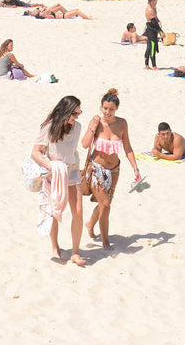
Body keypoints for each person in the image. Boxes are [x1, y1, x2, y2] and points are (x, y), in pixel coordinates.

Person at [81, 89, 141, 250]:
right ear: (101, 107)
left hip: (114, 170)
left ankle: (90, 224)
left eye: (111, 109)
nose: (107, 112)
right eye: (105, 108)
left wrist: (135, 168)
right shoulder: (96, 122)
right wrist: (92, 128)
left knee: (103, 204)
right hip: (96, 169)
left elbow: (127, 147)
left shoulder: (122, 124)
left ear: (116, 109)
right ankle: (106, 241)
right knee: (106, 204)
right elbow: (85, 144)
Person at [31, 96, 86, 266]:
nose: (77, 117)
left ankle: (75, 252)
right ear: (65, 111)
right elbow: (36, 152)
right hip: (54, 174)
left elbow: (73, 150)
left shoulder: (77, 127)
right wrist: (52, 166)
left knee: (78, 211)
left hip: (73, 171)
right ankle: (55, 246)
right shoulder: (49, 127)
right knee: (55, 210)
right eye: (74, 113)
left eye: (79, 113)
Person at [143, 0, 163, 70]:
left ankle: (147, 65)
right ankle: (153, 66)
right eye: (154, 2)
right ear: (151, 2)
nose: (156, 3)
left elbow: (155, 18)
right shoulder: (150, 10)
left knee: (149, 47)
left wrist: (159, 21)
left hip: (152, 28)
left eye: (156, 2)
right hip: (151, 30)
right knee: (152, 48)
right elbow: (153, 23)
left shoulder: (154, 8)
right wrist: (161, 32)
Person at [23, 4, 91, 20]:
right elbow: (49, 15)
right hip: (64, 16)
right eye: (41, 13)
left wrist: (44, 10)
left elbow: (46, 10)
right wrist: (46, 12)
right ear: (42, 16)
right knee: (78, 12)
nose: (42, 12)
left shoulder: (45, 14)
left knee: (76, 9)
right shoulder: (48, 16)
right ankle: (88, 18)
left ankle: (86, 17)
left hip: (64, 14)